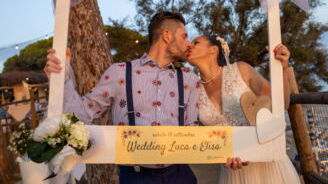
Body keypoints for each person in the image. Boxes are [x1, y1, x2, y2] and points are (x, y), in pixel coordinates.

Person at [44, 12, 200, 184]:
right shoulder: (119, 72)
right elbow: (80, 114)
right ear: (167, 35)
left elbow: (192, 132)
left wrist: (230, 150)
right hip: (136, 176)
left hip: (180, 174)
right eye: (184, 36)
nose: (188, 44)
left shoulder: (189, 79)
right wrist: (62, 79)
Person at [186, 35, 300, 184]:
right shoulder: (194, 89)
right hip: (233, 173)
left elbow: (282, 103)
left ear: (213, 50)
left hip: (267, 166)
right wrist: (220, 155)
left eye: (196, 42)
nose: (189, 45)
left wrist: (283, 68)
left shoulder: (241, 69)